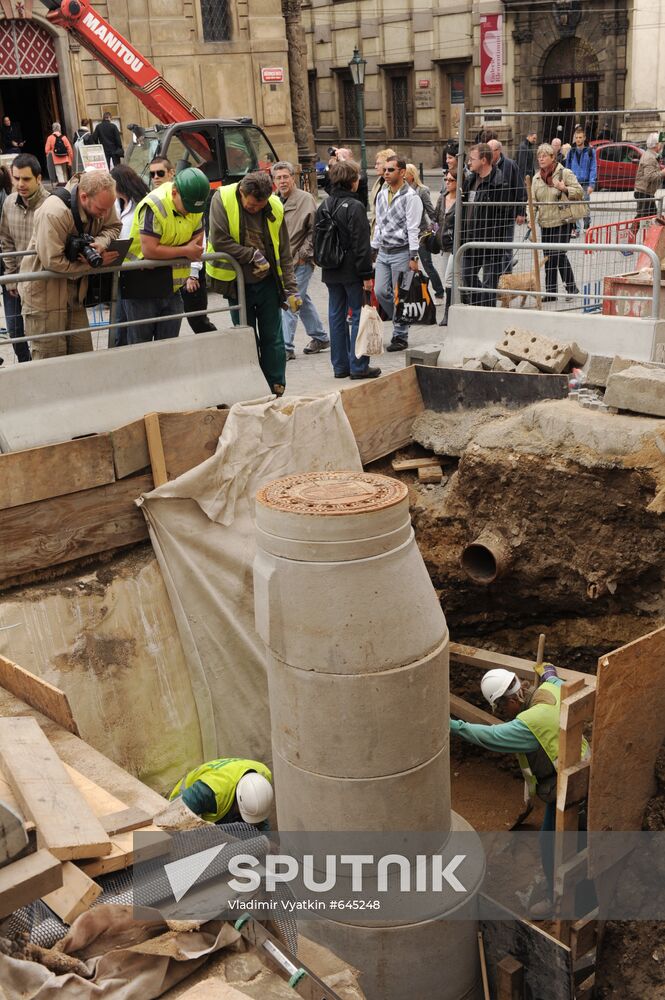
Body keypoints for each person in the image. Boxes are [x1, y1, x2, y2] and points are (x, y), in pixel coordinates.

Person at [450, 665, 589, 915]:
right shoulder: (551, 689)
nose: (504, 713)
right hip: (583, 767)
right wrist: (548, 671)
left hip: (572, 789)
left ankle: (572, 903)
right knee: (560, 841)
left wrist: (452, 725)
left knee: (565, 846)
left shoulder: (527, 726)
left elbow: (488, 736)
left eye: (503, 707)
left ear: (514, 698)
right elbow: (553, 677)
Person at [207, 171, 300, 397]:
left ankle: (276, 384)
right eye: (251, 206)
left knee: (273, 337)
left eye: (260, 206)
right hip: (236, 283)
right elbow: (218, 240)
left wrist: (291, 287)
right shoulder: (222, 198)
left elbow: (284, 251)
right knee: (246, 336)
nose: (255, 209)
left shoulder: (275, 206)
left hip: (267, 283)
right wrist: (251, 255)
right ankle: (251, 383)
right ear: (242, 193)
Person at [19, 170, 120, 361]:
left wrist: (101, 242)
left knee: (82, 360)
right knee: (49, 362)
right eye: (101, 209)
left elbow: (114, 226)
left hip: (75, 296)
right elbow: (53, 262)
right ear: (83, 197)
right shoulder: (54, 212)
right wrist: (94, 265)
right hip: (44, 298)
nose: (105, 214)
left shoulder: (103, 200)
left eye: (109, 208)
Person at [124, 166, 209, 343]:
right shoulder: (154, 205)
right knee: (142, 349)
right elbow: (149, 250)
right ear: (175, 192)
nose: (190, 212)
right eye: (187, 206)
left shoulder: (195, 204)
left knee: (169, 348)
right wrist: (184, 250)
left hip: (172, 286)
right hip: (141, 285)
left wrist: (164, 251)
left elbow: (197, 245)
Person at [316, 158, 377, 381]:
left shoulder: (324, 205)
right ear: (352, 180)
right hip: (351, 270)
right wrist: (366, 275)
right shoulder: (355, 206)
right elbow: (361, 244)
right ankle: (358, 365)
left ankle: (340, 366)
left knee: (336, 316)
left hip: (331, 268)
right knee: (359, 316)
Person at [148, 156, 215, 335]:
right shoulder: (153, 202)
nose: (155, 177)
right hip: (166, 277)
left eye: (160, 173)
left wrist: (192, 273)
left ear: (171, 173)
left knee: (197, 319)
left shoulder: (192, 196)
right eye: (152, 174)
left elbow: (198, 241)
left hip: (187, 272)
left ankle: (214, 349)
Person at [272, 160, 329, 359]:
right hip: (283, 263)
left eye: (285, 176)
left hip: (301, 260)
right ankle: (320, 337)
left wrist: (304, 256)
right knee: (302, 300)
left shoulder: (305, 199)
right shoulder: (273, 200)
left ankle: (286, 347)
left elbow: (314, 231)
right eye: (278, 178)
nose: (282, 181)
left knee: (291, 302)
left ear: (293, 177)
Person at [0, 154, 50, 363]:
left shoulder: (51, 204)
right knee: (15, 332)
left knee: (42, 334)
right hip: (15, 281)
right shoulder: (9, 202)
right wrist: (11, 275)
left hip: (42, 282)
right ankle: (25, 366)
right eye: (16, 178)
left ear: (39, 178)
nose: (20, 184)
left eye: (26, 179)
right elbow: (5, 239)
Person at [371, 155, 421, 351]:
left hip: (402, 252)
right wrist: (373, 248)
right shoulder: (382, 194)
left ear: (402, 172)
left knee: (402, 294)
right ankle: (402, 320)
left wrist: (413, 256)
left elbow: (414, 228)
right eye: (384, 170)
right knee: (380, 291)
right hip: (384, 251)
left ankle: (400, 335)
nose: (385, 173)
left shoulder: (412, 197)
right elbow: (378, 223)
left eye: (390, 170)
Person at [531, 143, 584, 302]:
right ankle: (551, 292)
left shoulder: (564, 173)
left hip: (562, 222)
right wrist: (531, 221)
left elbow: (579, 191)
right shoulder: (536, 178)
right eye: (539, 156)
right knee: (548, 258)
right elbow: (532, 202)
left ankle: (572, 288)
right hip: (545, 224)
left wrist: (565, 189)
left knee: (559, 255)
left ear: (552, 157)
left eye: (544, 156)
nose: (541, 158)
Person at [460, 143, 509, 307]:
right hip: (470, 241)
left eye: (472, 159)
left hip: (490, 243)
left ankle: (487, 312)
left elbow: (504, 216)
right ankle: (482, 306)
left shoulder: (499, 183)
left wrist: (496, 240)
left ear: (484, 160)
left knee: (489, 286)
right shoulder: (470, 180)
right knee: (467, 277)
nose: (469, 162)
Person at [169, 757, 273, 827]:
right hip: (181, 802)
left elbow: (260, 817)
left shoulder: (263, 776)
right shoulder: (207, 791)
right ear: (237, 800)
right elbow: (173, 817)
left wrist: (267, 841)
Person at [109, 164, 149, 347]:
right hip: (121, 272)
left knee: (132, 328)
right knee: (119, 328)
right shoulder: (119, 205)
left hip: (137, 274)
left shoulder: (141, 206)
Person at [405, 163, 444, 304]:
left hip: (421, 235)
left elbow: (432, 213)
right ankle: (406, 294)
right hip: (407, 234)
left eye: (405, 173)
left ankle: (439, 292)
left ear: (411, 175)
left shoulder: (422, 190)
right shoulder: (401, 191)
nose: (403, 176)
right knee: (408, 265)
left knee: (427, 265)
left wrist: (432, 231)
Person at [488, 139, 526, 275]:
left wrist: (521, 212)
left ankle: (506, 278)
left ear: (498, 151)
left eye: (490, 151)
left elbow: (520, 189)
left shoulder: (510, 165)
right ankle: (495, 276)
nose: (487, 154)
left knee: (506, 248)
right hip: (490, 216)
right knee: (492, 249)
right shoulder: (486, 165)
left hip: (506, 215)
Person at [432, 168, 457, 327]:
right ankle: (462, 306)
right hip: (444, 245)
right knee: (451, 279)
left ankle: (448, 313)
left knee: (449, 279)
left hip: (456, 245)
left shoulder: (462, 199)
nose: (447, 183)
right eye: (446, 180)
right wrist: (431, 233)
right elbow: (435, 219)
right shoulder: (442, 198)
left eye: (451, 180)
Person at [564, 127, 597, 235]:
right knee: (574, 205)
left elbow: (593, 168)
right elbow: (567, 168)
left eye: (580, 137)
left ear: (584, 138)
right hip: (574, 183)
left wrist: (592, 184)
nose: (578, 139)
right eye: (576, 137)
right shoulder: (571, 151)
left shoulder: (590, 151)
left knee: (585, 205)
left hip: (585, 182)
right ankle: (576, 228)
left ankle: (586, 224)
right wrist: (566, 182)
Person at [634, 133, 665, 220]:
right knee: (642, 217)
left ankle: (648, 232)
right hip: (644, 192)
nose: (661, 146)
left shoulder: (651, 155)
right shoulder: (650, 157)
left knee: (651, 217)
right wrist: (662, 172)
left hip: (647, 192)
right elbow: (650, 176)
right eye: (660, 143)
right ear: (656, 145)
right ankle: (631, 232)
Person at [369, 147, 396, 238]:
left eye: (378, 164)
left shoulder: (393, 183)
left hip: (389, 236)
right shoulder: (379, 182)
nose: (375, 167)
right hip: (377, 232)